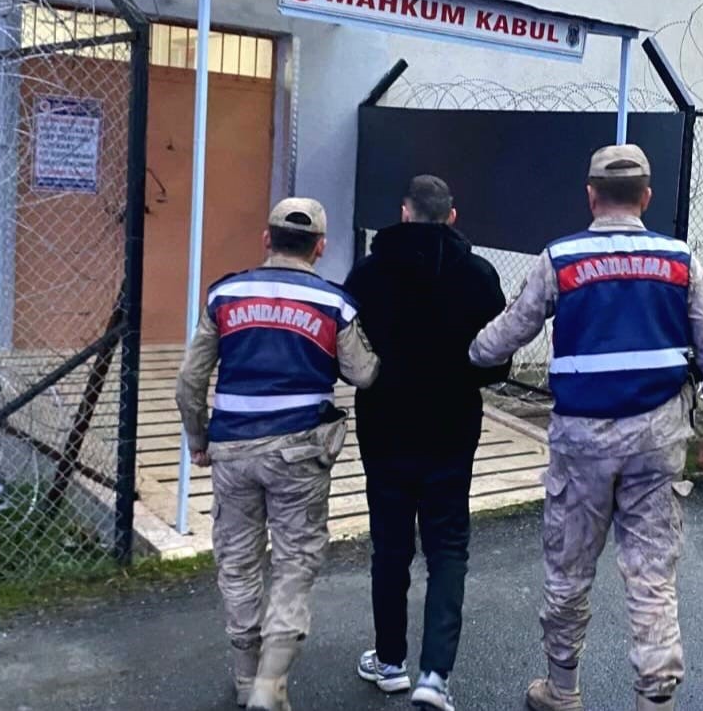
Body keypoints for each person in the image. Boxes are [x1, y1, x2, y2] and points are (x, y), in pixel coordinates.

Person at [469, 144, 703, 711]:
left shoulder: (560, 259)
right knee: (651, 577)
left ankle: (562, 690)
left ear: (591, 197)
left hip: (581, 441)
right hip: (658, 438)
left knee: (568, 570)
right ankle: (655, 700)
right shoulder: (681, 261)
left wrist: (466, 352)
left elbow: (504, 336)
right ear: (646, 197)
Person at [175, 198, 379, 711]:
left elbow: (189, 381)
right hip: (301, 452)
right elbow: (363, 374)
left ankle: (246, 677)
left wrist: (198, 438)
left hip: (232, 449)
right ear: (320, 247)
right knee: (295, 562)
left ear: (267, 239)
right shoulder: (335, 304)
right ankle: (271, 682)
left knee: (238, 562)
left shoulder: (225, 295)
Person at [343, 175, 510, 711]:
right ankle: (434, 676)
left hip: (384, 428)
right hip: (451, 429)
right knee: (448, 548)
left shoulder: (367, 274)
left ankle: (390, 660)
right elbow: (496, 362)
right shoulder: (478, 276)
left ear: (404, 212)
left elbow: (349, 352)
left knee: (390, 546)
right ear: (452, 217)